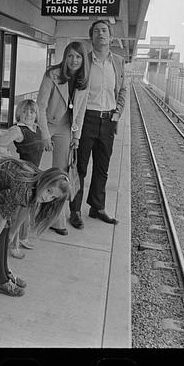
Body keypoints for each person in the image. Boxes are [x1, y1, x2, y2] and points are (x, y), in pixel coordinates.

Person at [0, 157, 71, 297]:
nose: (47, 198)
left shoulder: (36, 185)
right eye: (49, 191)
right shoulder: (23, 186)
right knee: (1, 228)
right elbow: (2, 218)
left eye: (53, 197)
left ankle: (5, 273)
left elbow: (26, 207)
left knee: (7, 227)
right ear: (45, 180)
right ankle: (0, 281)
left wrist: (13, 232)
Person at [69, 20, 127, 229]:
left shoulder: (118, 62)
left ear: (111, 37)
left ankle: (97, 207)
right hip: (87, 119)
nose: (100, 34)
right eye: (96, 31)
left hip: (108, 120)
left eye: (104, 31)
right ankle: (75, 210)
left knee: (102, 168)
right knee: (80, 167)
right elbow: (73, 87)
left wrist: (117, 113)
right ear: (91, 37)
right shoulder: (84, 60)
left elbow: (122, 90)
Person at [36, 41, 90, 235]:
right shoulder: (52, 74)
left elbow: (81, 110)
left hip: (66, 128)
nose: (74, 60)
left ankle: (54, 218)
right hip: (46, 124)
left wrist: (77, 135)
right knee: (31, 167)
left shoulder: (84, 80)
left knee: (59, 174)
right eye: (70, 56)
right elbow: (40, 106)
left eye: (78, 56)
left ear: (83, 60)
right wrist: (44, 135)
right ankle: (24, 210)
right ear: (65, 57)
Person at [0, 99, 44, 257]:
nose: (28, 114)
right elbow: (1, 145)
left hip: (34, 174)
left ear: (36, 114)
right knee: (17, 210)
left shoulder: (36, 128)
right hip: (23, 176)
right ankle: (12, 243)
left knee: (28, 208)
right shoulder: (18, 130)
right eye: (24, 111)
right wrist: (14, 160)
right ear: (19, 113)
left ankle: (23, 237)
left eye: (32, 111)